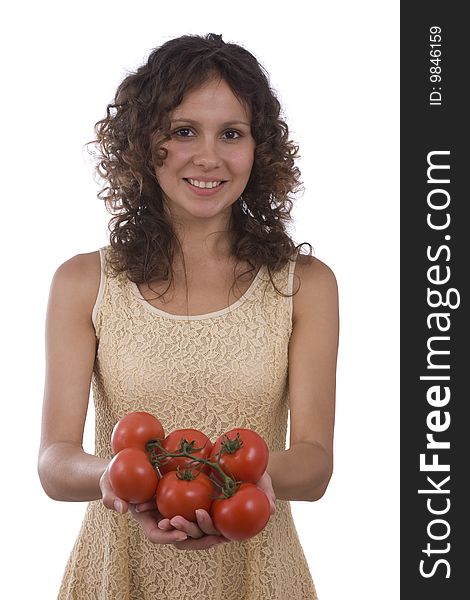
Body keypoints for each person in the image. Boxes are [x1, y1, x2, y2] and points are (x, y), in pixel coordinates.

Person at [38, 33, 339, 600]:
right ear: (142, 144)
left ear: (259, 148)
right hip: (117, 571)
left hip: (259, 570)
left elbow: (316, 464)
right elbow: (54, 463)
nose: (209, 157)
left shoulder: (306, 285)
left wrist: (235, 488)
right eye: (183, 132)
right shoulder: (83, 282)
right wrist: (115, 480)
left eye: (232, 133)